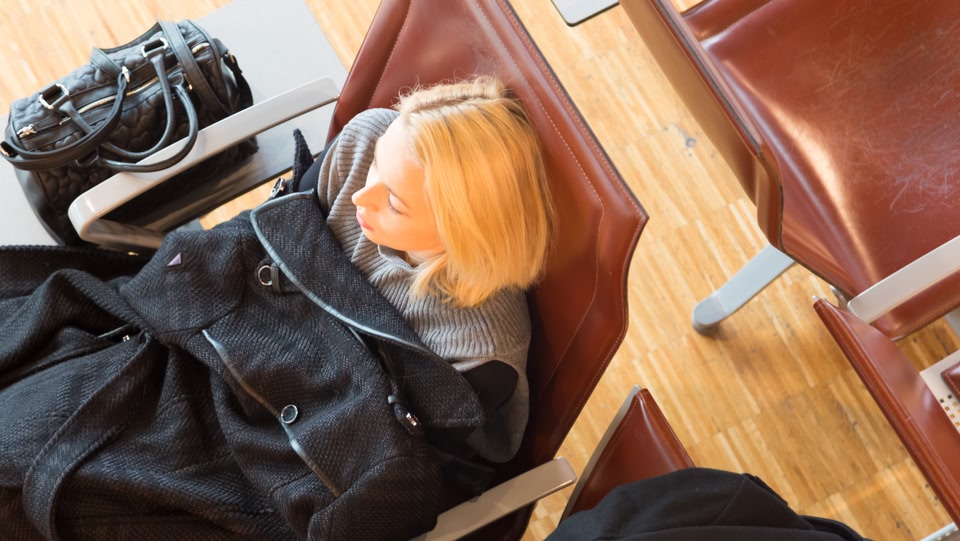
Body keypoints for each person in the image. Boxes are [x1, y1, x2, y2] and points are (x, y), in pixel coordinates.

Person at [0, 75, 553, 540]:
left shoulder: (478, 351)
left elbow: (373, 448)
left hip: (278, 445)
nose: (362, 195)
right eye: (377, 168)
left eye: (395, 202)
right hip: (205, 336)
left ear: (465, 230)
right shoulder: (368, 141)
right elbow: (271, 237)